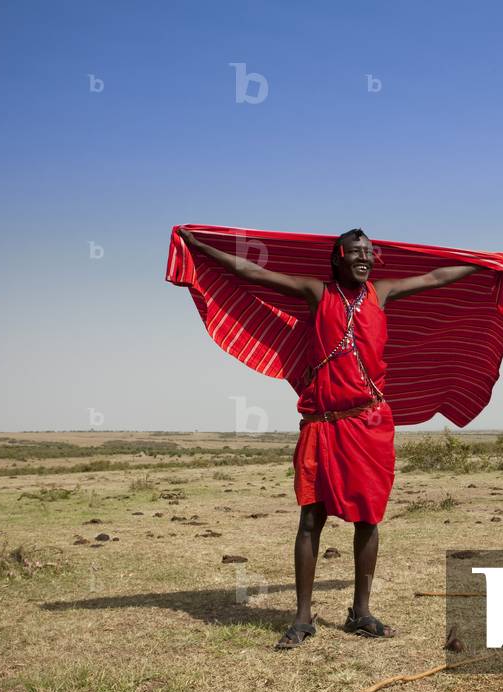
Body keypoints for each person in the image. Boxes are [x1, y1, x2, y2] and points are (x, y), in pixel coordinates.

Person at [177, 227, 481, 648]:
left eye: (370, 253)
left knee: (368, 518)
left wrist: (485, 264)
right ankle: (302, 618)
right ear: (338, 257)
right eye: (356, 252)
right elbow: (253, 273)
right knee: (310, 519)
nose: (365, 258)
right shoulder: (317, 293)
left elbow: (434, 278)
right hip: (323, 424)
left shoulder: (383, 292)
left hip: (368, 425)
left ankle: (361, 611)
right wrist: (202, 249)